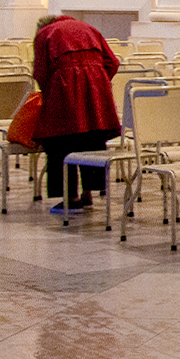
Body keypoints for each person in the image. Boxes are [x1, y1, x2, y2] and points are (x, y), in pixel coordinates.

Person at [31, 14, 121, 214]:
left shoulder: (45, 33)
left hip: (63, 87)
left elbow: (40, 71)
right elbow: (113, 62)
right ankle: (88, 192)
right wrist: (97, 80)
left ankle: (70, 198)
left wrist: (49, 91)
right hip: (96, 85)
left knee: (59, 140)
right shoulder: (88, 27)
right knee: (92, 137)